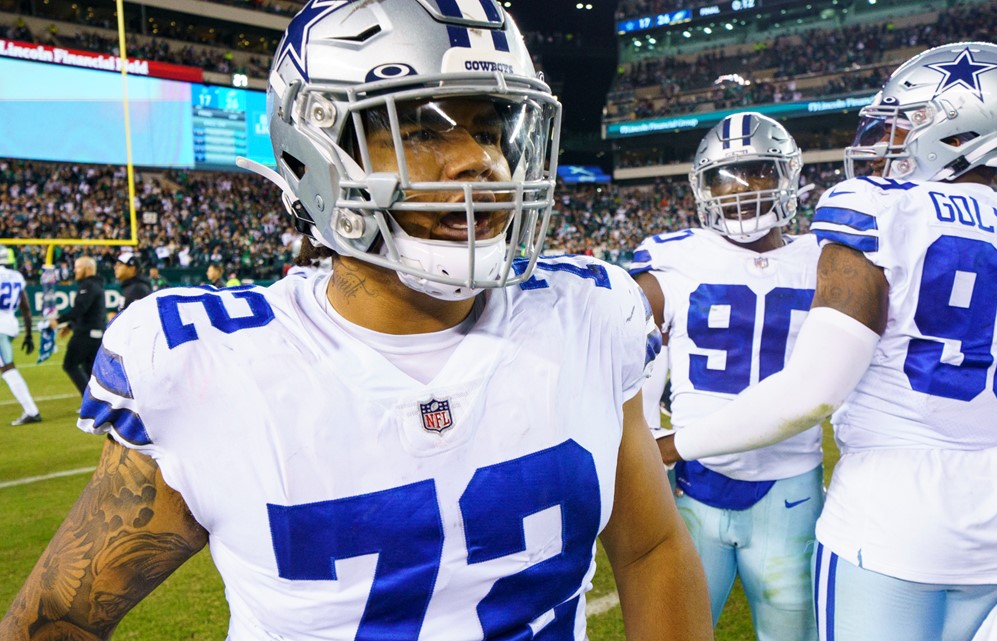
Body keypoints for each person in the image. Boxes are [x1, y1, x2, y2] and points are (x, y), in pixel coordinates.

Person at [0, 2, 714, 640]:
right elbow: (60, 617)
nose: (481, 161)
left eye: (489, 127)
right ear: (318, 151)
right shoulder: (208, 364)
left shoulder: (588, 312)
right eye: (425, 127)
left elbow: (651, 548)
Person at [657, 42, 997, 641]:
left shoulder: (876, 210)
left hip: (893, 512)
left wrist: (672, 446)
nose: (885, 141)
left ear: (961, 131)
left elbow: (812, 393)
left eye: (905, 124)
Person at [630, 113, 822, 641]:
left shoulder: (824, 260)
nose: (740, 188)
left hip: (789, 488)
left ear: (786, 176)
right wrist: (644, 432)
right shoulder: (674, 259)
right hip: (696, 486)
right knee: (678, 629)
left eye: (758, 171)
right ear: (702, 187)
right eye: (724, 176)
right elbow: (622, 351)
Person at [48, 255, 105, 395]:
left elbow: (80, 309)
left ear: (88, 268)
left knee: (70, 365)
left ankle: (90, 402)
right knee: (89, 369)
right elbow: (88, 311)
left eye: (78, 267)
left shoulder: (88, 285)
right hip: (96, 333)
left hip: (85, 333)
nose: (75, 270)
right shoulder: (96, 285)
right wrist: (70, 326)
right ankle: (98, 402)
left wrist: (59, 321)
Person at [0, 246, 41, 426]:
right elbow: (25, 307)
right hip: (10, 322)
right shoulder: (16, 276)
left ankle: (32, 411)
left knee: (8, 368)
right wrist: (29, 335)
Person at [110, 252, 152, 320]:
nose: (115, 267)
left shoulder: (138, 288)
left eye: (120, 264)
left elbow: (138, 320)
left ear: (132, 268)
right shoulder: (129, 286)